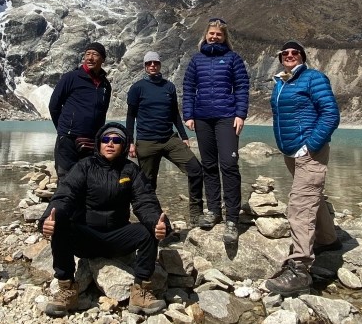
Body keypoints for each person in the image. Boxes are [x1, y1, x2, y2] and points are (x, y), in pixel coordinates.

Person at [39, 123, 170, 317]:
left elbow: (145, 201)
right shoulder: (84, 166)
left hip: (118, 237)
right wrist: (48, 220)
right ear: (98, 144)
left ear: (124, 146)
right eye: (105, 140)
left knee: (148, 231)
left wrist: (157, 224)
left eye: (116, 140)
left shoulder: (130, 170)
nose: (110, 144)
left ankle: (140, 291)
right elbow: (66, 195)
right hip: (87, 237)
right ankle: (67, 288)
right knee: (60, 225)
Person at [266, 40, 341, 298]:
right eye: (284, 53)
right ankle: (328, 239)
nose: (289, 55)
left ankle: (300, 270)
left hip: (308, 150)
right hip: (291, 151)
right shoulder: (281, 82)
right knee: (312, 197)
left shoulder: (313, 78)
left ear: (302, 56)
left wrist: (311, 145)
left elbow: (330, 113)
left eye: (294, 52)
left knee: (299, 204)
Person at [182, 18, 249, 244]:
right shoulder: (196, 60)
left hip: (226, 117)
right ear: (206, 35)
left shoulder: (232, 58)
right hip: (202, 117)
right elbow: (189, 88)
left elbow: (241, 86)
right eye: (211, 33)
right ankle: (213, 210)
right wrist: (188, 115)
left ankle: (232, 218)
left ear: (224, 37)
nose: (214, 37)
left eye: (219, 34)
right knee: (209, 165)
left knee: (229, 165)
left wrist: (240, 114)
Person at [126, 51, 204, 227]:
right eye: (149, 63)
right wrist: (130, 142)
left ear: (160, 65)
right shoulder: (137, 88)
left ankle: (196, 213)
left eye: (155, 63)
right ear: (145, 67)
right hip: (146, 141)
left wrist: (184, 136)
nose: (152, 66)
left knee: (195, 169)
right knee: (147, 185)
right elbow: (130, 116)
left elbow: (175, 114)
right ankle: (154, 220)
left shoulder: (169, 87)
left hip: (169, 139)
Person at [48, 42, 112, 178]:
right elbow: (54, 105)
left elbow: (102, 113)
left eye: (95, 54)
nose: (90, 58)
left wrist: (98, 137)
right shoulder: (71, 77)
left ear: (103, 59)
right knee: (65, 180)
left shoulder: (105, 85)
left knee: (87, 180)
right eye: (87, 54)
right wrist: (63, 130)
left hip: (91, 141)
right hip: (68, 141)